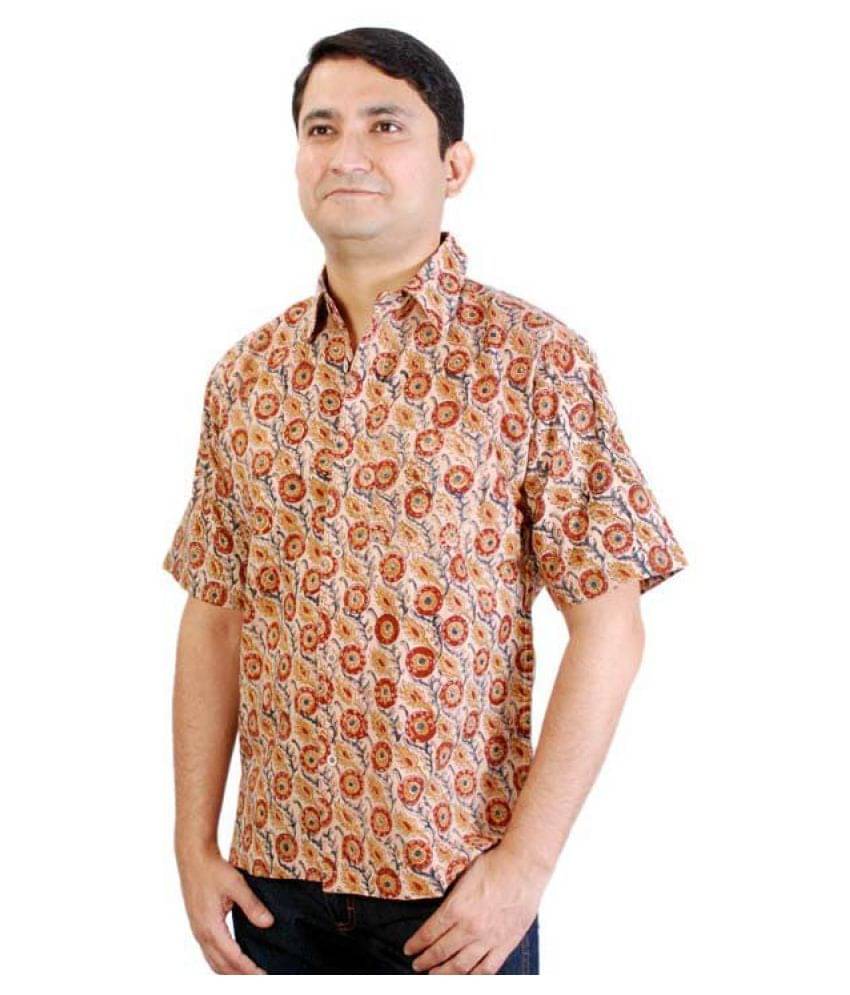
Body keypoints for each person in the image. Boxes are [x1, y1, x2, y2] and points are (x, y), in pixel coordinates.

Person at [162, 26, 688, 976]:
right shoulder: (245, 378)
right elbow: (214, 613)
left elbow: (610, 625)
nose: (347, 154)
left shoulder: (534, 361)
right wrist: (192, 845)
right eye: (321, 128)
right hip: (273, 888)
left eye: (385, 125)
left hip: (457, 896)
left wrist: (524, 868)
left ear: (454, 165)